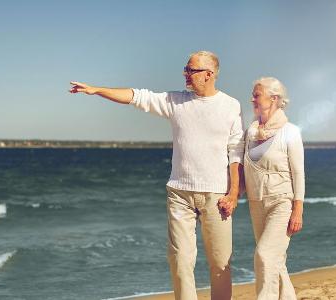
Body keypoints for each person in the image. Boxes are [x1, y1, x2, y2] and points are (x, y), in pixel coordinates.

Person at [69, 50, 244, 300]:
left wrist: (234, 192)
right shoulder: (175, 101)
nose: (185, 74)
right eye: (185, 68)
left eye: (190, 70)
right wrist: (97, 90)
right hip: (179, 193)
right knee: (180, 261)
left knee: (220, 264)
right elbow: (135, 96)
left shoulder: (230, 105)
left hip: (216, 195)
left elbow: (236, 151)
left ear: (209, 74)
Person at [244, 77, 304, 299]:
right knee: (276, 262)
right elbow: (240, 164)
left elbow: (298, 173)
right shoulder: (250, 132)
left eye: (257, 94)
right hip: (256, 202)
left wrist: (297, 209)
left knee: (265, 256)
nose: (252, 98)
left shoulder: (291, 132)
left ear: (274, 98)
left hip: (282, 202)